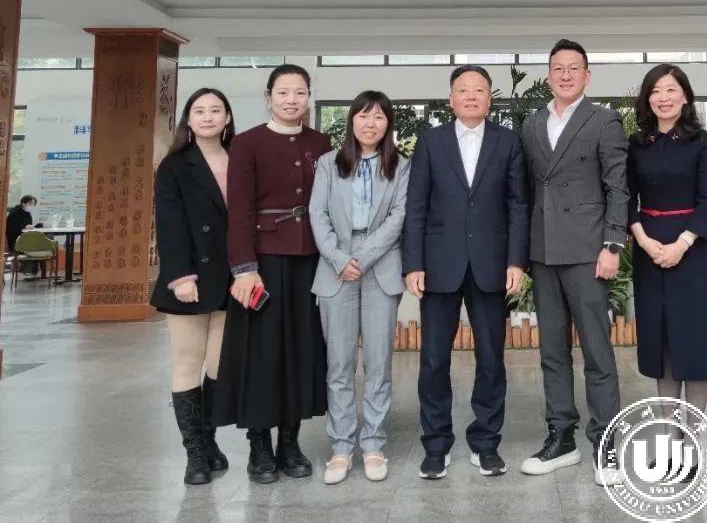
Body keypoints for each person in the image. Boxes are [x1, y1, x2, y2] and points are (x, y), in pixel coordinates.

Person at [402, 65, 528, 480]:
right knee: (433, 360)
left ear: (490, 98)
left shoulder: (508, 142)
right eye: (463, 90)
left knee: (491, 359)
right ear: (451, 98)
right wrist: (413, 263)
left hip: (492, 263)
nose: (471, 96)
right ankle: (435, 445)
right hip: (439, 264)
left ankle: (486, 443)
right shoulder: (431, 141)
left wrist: (516, 261)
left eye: (479, 90)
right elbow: (416, 205)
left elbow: (517, 205)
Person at [214, 64, 333, 484]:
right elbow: (239, 211)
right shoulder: (247, 143)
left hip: (309, 259)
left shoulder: (320, 142)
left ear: (308, 97)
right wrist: (244, 269)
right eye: (283, 92)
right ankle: (260, 445)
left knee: (301, 350)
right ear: (268, 97)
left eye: (299, 92)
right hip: (262, 263)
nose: (291, 100)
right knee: (262, 354)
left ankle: (291, 443)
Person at [519, 40, 628, 486]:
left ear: (587, 75)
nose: (565, 75)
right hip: (544, 251)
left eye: (573, 68)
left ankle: (606, 443)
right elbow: (526, 190)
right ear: (548, 75)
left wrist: (613, 245)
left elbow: (617, 185)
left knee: (597, 352)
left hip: (588, 251)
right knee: (552, 351)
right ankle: (561, 437)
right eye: (558, 68)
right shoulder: (532, 123)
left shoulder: (603, 120)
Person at [309, 91, 411, 485]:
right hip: (335, 266)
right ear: (351, 120)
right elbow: (317, 214)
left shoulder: (401, 166)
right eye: (364, 116)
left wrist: (363, 257)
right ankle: (340, 447)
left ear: (388, 124)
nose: (371, 124)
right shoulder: (328, 164)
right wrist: (339, 259)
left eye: (379, 117)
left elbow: (399, 216)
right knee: (339, 362)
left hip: (380, 264)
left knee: (378, 362)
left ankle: (372, 443)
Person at [627, 65, 707, 425]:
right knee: (661, 342)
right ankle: (670, 434)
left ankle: (692, 437)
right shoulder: (637, 143)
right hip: (648, 248)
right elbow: (625, 196)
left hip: (693, 250)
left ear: (685, 96)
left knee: (694, 342)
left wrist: (682, 244)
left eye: (670, 90)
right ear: (647, 98)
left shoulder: (703, 141)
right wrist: (643, 239)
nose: (663, 98)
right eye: (655, 91)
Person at [150, 89, 236, 486]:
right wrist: (181, 276)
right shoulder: (174, 165)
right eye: (199, 111)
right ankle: (195, 454)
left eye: (215, 110)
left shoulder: (239, 158)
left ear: (227, 117)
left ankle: (209, 438)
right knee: (188, 361)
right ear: (188, 120)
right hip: (190, 277)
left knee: (218, 365)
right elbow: (169, 225)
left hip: (232, 277)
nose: (207, 116)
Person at [6, 195, 43, 277]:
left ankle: (32, 272)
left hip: (26, 239)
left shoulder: (27, 213)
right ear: (23, 203)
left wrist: (34, 226)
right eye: (30, 204)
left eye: (33, 204)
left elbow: (28, 226)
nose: (32, 206)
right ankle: (27, 271)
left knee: (38, 245)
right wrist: (24, 227)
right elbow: (11, 229)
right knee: (31, 247)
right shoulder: (14, 213)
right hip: (15, 242)